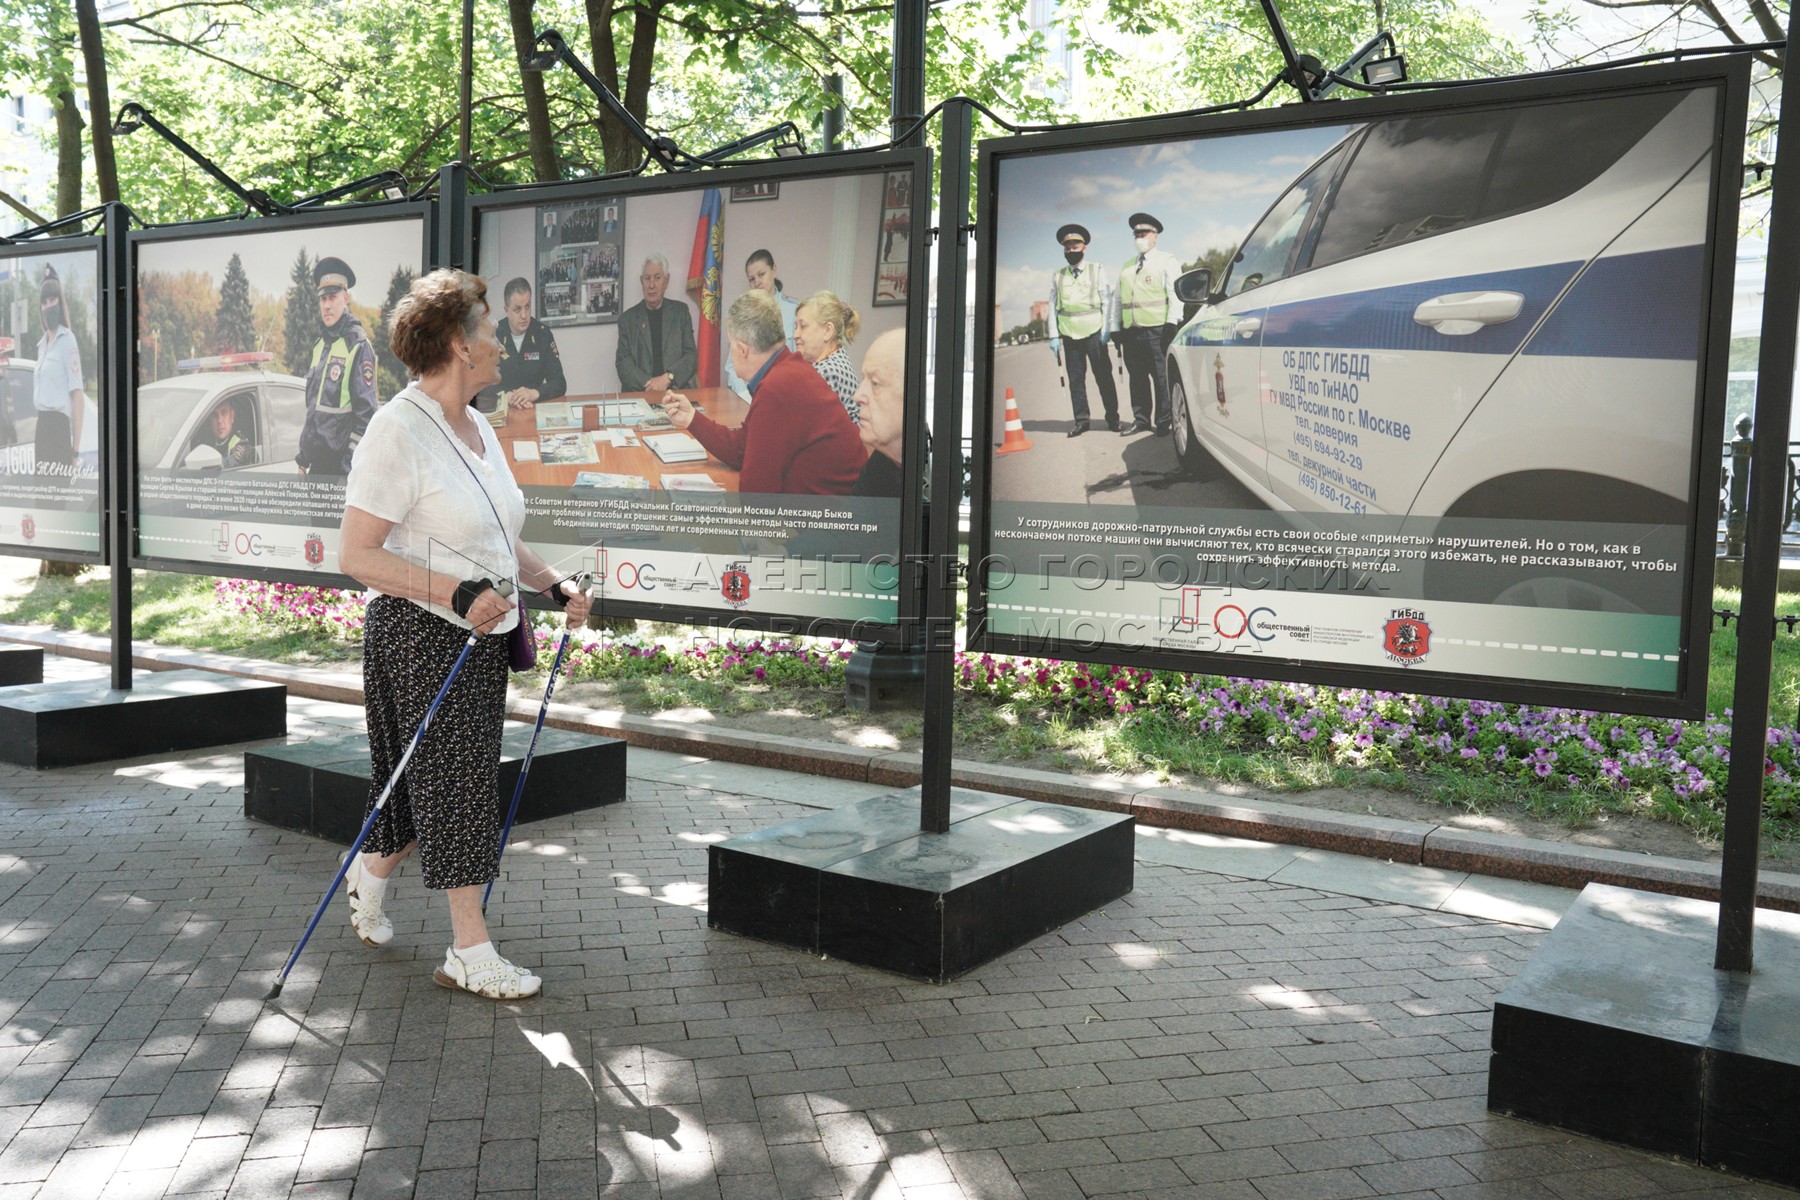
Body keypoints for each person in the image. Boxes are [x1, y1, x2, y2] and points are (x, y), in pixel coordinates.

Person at [336, 268, 592, 1001]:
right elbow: (356, 556)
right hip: (419, 633)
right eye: (488, 330)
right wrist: (453, 591)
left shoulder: (478, 425)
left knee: (428, 788)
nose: (501, 344)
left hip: (478, 634)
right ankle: (469, 951)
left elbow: (494, 536)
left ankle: (371, 869)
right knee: (459, 787)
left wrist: (554, 583)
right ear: (456, 344)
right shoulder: (396, 429)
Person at [660, 291, 864, 496]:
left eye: (730, 344)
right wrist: (691, 418)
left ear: (742, 349)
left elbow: (756, 496)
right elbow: (742, 449)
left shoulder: (777, 386)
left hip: (831, 520)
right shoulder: (787, 369)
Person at [296, 256, 379, 475]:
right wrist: (303, 459)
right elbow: (314, 411)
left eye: (332, 298)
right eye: (322, 299)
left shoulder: (358, 346)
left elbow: (367, 417)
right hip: (317, 470)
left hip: (341, 471)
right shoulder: (319, 345)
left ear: (346, 298)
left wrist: (348, 467)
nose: (327, 305)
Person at [1047, 224, 1120, 437]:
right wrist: (1053, 335)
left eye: (1075, 244)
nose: (1071, 249)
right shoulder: (1057, 275)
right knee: (1076, 381)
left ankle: (1113, 418)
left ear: (1084, 247)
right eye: (1067, 246)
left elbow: (1106, 301)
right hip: (1070, 335)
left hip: (1095, 332)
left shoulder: (1096, 269)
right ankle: (1081, 421)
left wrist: (1107, 329)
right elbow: (1052, 305)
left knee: (1103, 377)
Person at [1116, 212, 1184, 437]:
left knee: (1160, 377)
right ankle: (1141, 420)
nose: (1139, 237)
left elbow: (1175, 294)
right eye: (1136, 233)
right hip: (1131, 332)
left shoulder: (1167, 260)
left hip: (1157, 330)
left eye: (1143, 233)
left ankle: (1164, 422)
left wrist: (1171, 323)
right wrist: (1116, 328)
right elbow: (1118, 299)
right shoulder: (1127, 266)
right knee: (1137, 379)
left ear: (1155, 236)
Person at [724, 249, 799, 398]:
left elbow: (801, 361)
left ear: (774, 270)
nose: (757, 282)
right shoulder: (743, 313)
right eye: (751, 279)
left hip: (785, 394)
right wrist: (746, 395)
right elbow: (732, 367)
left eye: (761, 274)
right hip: (750, 396)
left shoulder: (794, 311)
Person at [615, 255, 697, 392]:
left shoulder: (680, 313)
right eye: (647, 278)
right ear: (641, 282)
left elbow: (691, 357)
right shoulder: (627, 319)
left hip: (675, 392)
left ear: (666, 280)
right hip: (640, 395)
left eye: (657, 278)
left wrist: (668, 378)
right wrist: (652, 385)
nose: (651, 285)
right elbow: (623, 364)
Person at [32, 273, 84, 475]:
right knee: (42, 500)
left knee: (56, 499)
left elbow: (77, 397)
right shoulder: (41, 345)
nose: (48, 305)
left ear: (60, 302)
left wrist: (75, 451)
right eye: (44, 302)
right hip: (41, 428)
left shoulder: (67, 339)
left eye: (52, 299)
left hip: (58, 430)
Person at [496, 278, 567, 410]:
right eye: (517, 309)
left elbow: (559, 383)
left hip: (533, 408)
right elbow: (481, 385)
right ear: (506, 310)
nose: (524, 315)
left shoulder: (542, 335)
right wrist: (507, 396)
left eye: (527, 307)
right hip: (503, 409)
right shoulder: (494, 335)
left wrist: (534, 393)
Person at [850, 329, 905, 499]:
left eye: (875, 383)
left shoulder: (939, 481)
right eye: (863, 379)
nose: (857, 396)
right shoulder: (880, 464)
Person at [793, 290, 862, 423]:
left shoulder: (826, 371)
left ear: (828, 331)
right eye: (796, 327)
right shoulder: (837, 357)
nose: (796, 334)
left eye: (803, 326)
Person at [201, 400, 251, 468]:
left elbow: (232, 462)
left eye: (224, 413)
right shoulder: (206, 442)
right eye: (214, 415)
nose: (220, 420)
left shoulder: (241, 442)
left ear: (232, 416)